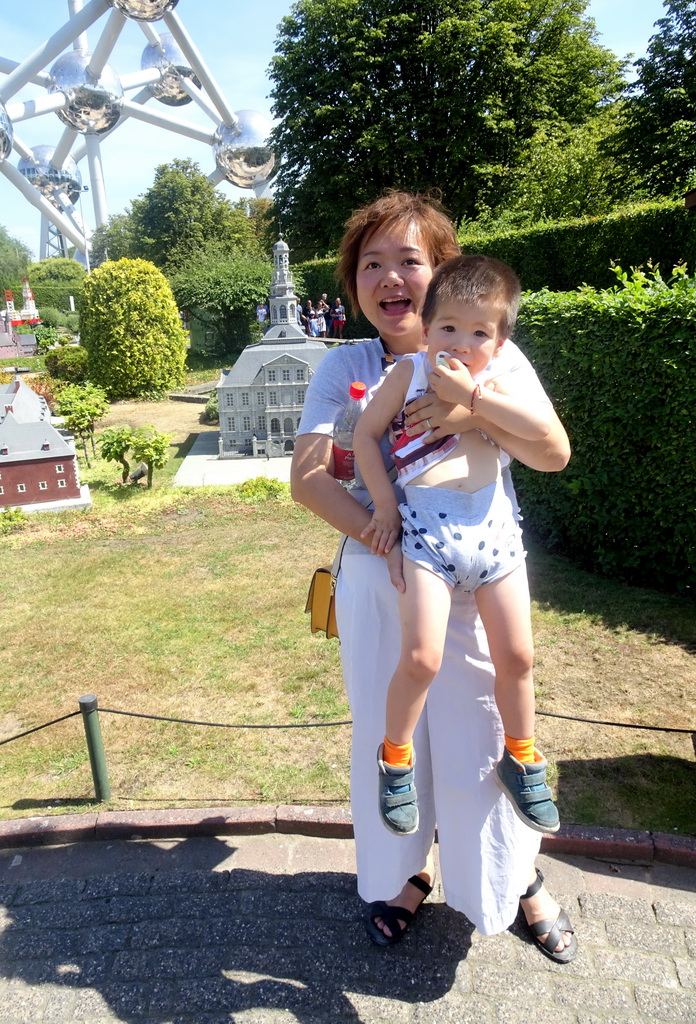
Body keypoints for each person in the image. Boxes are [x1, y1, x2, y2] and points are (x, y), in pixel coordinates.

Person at [291, 192, 575, 963]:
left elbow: (550, 449)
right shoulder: (346, 365)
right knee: (394, 738)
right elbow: (310, 480)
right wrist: (389, 539)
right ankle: (407, 875)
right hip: (391, 572)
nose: (388, 278)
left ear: (442, 270)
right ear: (352, 281)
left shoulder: (492, 351)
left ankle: (514, 878)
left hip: (479, 569)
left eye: (408, 260)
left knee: (487, 726)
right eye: (370, 263)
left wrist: (470, 409)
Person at [354, 254, 559, 841]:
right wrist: (385, 509)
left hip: (495, 532)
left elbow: (547, 439)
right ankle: (394, 760)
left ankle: (521, 759)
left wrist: (474, 404)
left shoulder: (498, 381)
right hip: (427, 531)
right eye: (448, 327)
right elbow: (368, 436)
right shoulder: (409, 373)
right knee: (421, 659)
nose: (462, 343)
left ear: (499, 342)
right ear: (425, 327)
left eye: (479, 332)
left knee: (517, 658)